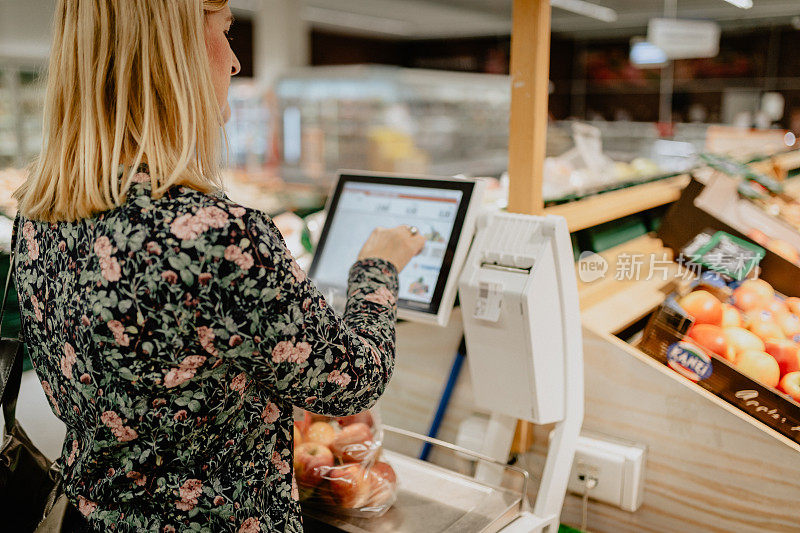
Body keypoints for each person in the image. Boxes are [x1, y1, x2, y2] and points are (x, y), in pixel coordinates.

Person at [11, 1, 425, 531]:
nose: (232, 62)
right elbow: (353, 379)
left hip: (88, 516)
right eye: (225, 33)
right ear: (172, 52)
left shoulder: (39, 211)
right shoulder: (218, 235)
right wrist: (377, 270)